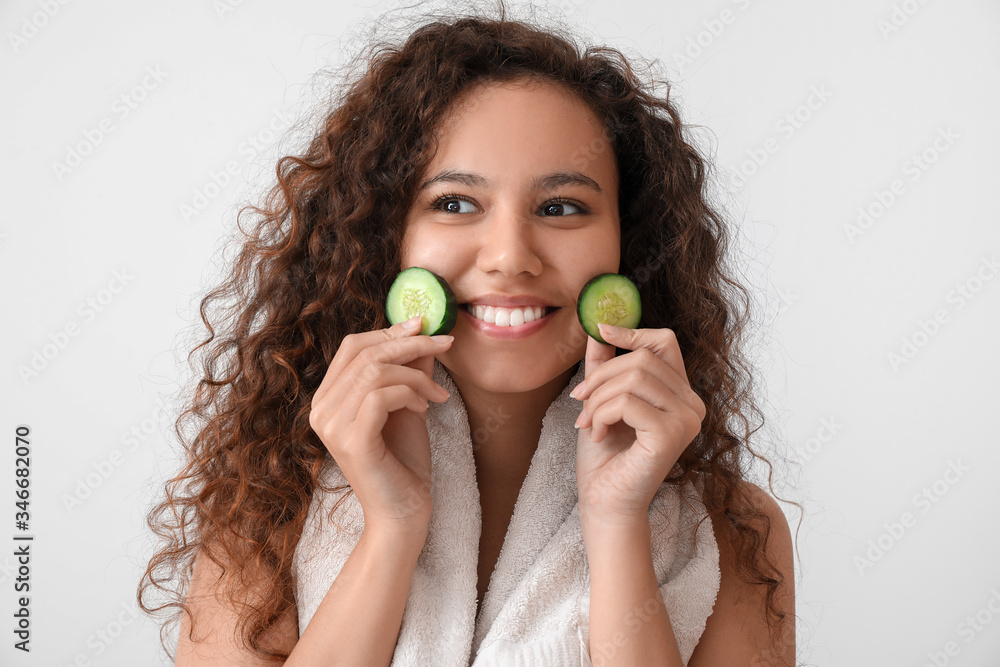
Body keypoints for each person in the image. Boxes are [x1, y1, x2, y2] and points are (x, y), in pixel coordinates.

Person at [138, 2, 796, 665]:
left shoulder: (738, 530)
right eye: (454, 204)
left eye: (561, 206)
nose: (510, 255)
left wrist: (619, 524)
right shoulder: (267, 508)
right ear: (383, 237)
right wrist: (391, 529)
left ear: (631, 242)